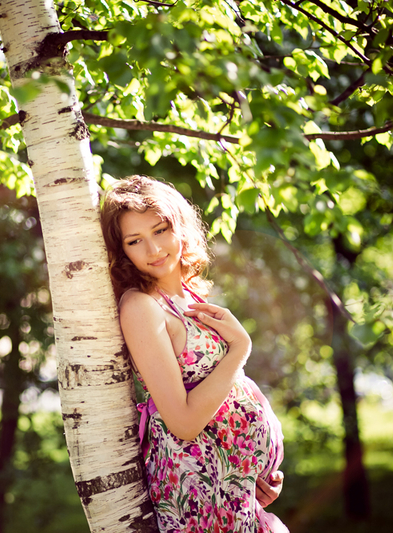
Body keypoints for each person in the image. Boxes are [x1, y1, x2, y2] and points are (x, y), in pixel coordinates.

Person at [100, 175, 288, 533]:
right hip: (199, 496)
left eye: (160, 230)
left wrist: (253, 473)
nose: (153, 249)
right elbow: (184, 423)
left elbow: (223, 392)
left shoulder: (190, 297)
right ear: (122, 251)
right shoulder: (141, 307)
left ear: (180, 227)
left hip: (234, 491)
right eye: (135, 241)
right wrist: (240, 348)